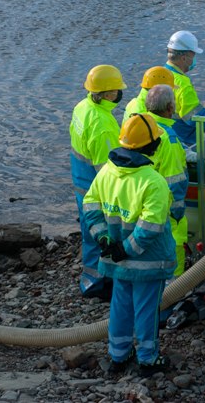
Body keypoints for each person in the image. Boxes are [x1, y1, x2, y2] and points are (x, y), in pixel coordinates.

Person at [83, 113, 177, 375]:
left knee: (121, 306)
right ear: (152, 145)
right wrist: (126, 250)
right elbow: (150, 227)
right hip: (147, 262)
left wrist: (104, 238)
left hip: (116, 260)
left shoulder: (107, 172)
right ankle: (148, 359)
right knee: (147, 310)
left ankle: (118, 355)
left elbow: (90, 206)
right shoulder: (153, 181)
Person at [70, 64, 127, 299]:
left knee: (89, 231)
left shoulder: (82, 107)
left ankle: (90, 280)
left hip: (81, 181)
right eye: (117, 90)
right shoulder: (102, 125)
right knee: (104, 234)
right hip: (96, 188)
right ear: (108, 93)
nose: (120, 93)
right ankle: (102, 284)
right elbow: (108, 172)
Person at [145, 84, 190, 277]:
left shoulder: (139, 126)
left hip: (143, 203)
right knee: (174, 247)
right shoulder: (168, 139)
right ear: (170, 107)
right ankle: (175, 289)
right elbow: (175, 181)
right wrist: (177, 213)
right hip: (166, 208)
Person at [164, 31, 205, 147]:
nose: (194, 60)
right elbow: (195, 117)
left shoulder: (159, 74)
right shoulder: (182, 84)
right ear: (184, 58)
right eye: (193, 56)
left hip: (164, 137)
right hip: (183, 142)